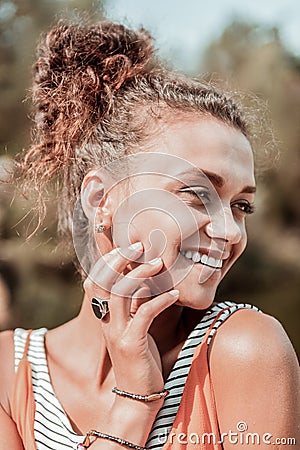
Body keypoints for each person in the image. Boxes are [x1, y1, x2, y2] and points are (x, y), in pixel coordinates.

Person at [0, 19, 299, 450]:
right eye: (198, 194)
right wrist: (134, 405)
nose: (230, 230)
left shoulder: (245, 351)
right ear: (101, 197)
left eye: (241, 205)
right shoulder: (11, 371)